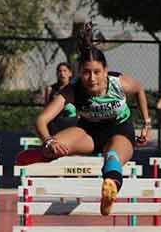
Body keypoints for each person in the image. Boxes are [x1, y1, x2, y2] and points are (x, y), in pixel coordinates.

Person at [18, 24, 151, 215]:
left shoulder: (119, 83)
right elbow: (41, 120)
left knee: (112, 158)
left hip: (120, 131)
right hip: (89, 132)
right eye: (86, 72)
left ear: (106, 71)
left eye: (97, 72)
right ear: (80, 72)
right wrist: (48, 142)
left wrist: (146, 123)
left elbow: (139, 90)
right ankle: (43, 154)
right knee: (57, 145)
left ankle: (109, 190)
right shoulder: (73, 90)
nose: (92, 78)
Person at [43, 62, 76, 136]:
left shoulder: (75, 89)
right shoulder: (50, 89)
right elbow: (46, 108)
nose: (62, 73)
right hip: (55, 124)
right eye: (60, 71)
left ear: (70, 73)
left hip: (71, 124)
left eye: (65, 71)